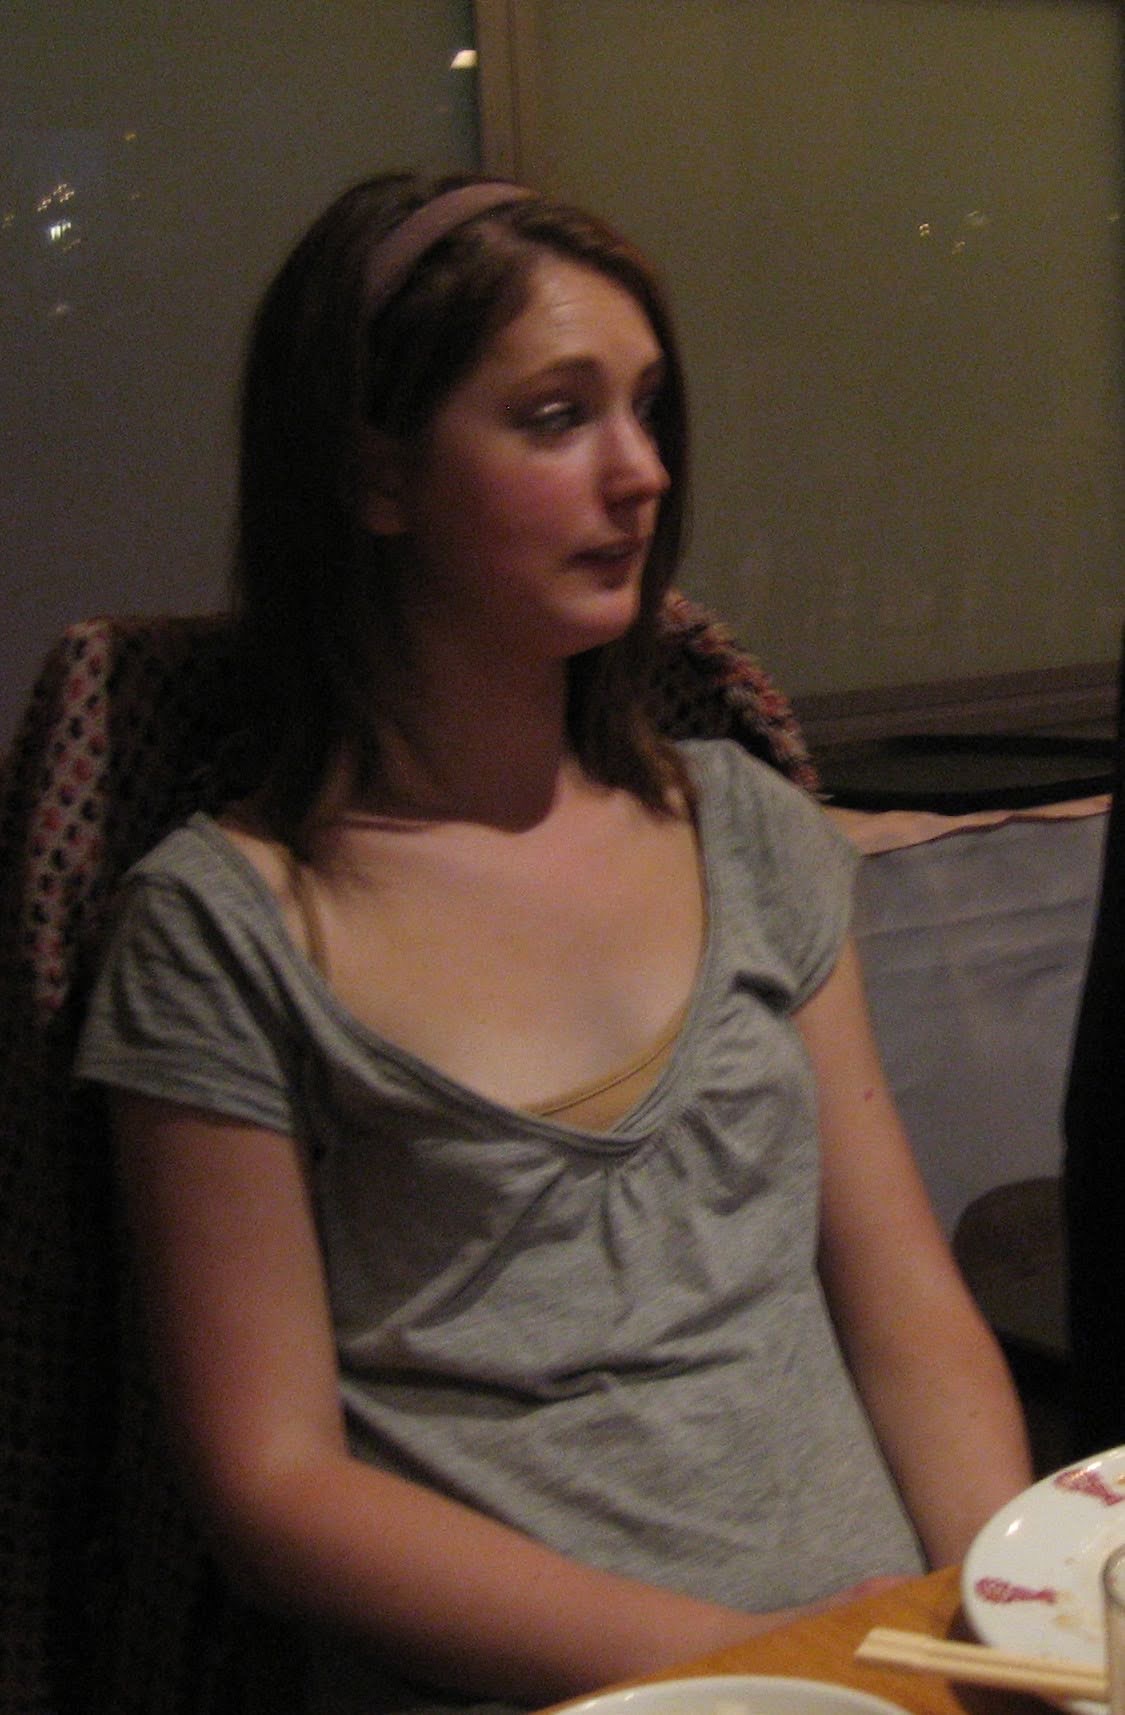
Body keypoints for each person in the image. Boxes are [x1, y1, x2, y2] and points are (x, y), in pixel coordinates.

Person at [77, 172, 1032, 1715]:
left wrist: (995, 1604)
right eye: (552, 416)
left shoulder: (743, 824)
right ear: (372, 473)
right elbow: (272, 1492)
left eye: (649, 409)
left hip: (887, 1660)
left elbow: (901, 1304)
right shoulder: (228, 923)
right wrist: (755, 1670)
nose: (641, 472)